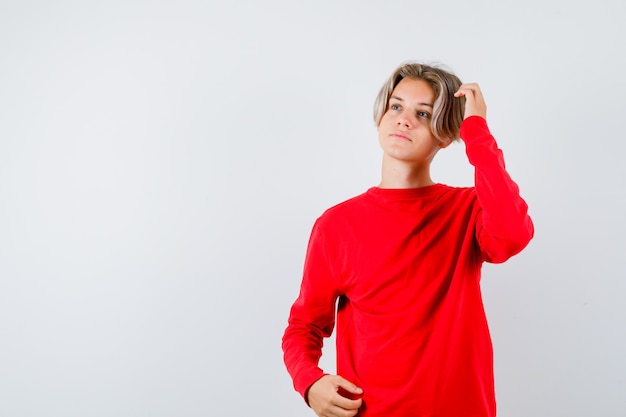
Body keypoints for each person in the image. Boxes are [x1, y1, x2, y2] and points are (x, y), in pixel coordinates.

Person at [282, 62, 534, 417]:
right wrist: (309, 382)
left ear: (446, 135)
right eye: (396, 106)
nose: (404, 119)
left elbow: (512, 235)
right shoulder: (336, 225)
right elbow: (304, 326)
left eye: (423, 113)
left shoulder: (467, 210)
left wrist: (476, 131)